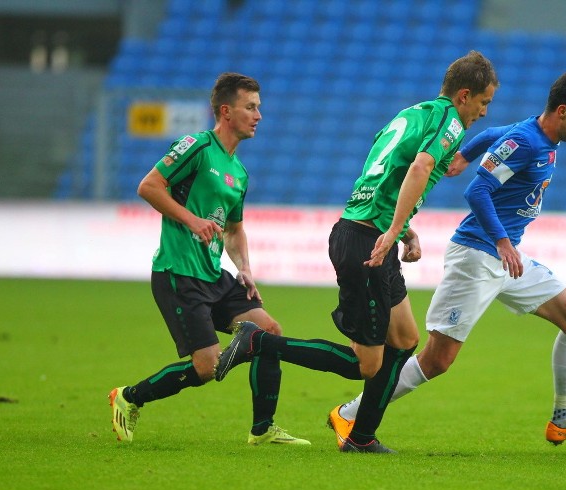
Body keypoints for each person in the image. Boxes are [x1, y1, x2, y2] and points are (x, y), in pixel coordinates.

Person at [214, 51, 499, 453]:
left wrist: (403, 230)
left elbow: (382, 176)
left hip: (367, 234)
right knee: (367, 364)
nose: (484, 113)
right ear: (464, 95)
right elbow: (419, 168)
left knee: (404, 340)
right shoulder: (450, 122)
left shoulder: (412, 114)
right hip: (365, 243)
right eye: (484, 102)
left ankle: (362, 437)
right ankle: (259, 343)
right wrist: (395, 229)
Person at [329, 72, 566, 446]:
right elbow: (478, 191)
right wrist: (503, 241)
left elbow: (493, 134)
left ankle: (564, 418)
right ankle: (349, 414)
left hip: (506, 260)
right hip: (479, 255)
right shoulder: (528, 142)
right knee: (436, 360)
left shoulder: (535, 133)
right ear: (562, 111)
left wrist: (464, 155)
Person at [109, 72, 309, 446]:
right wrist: (191, 219)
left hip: (214, 276)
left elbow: (234, 231)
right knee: (206, 368)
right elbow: (148, 186)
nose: (258, 116)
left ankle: (263, 428)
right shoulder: (196, 146)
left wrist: (245, 269)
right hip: (178, 273)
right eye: (250, 107)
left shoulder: (239, 172)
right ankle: (128, 397)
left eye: (259, 108)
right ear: (225, 111)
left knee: (269, 332)